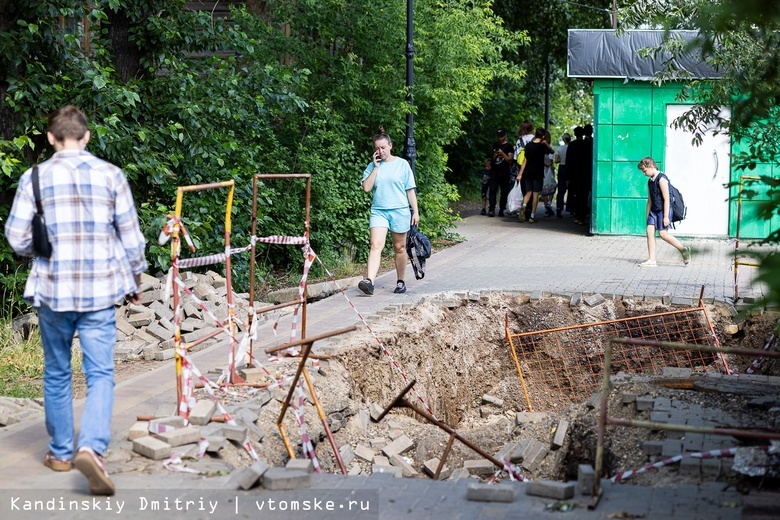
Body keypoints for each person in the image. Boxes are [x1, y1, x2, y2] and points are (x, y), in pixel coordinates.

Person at [4, 105, 148, 495]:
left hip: (52, 290)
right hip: (100, 290)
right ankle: (92, 448)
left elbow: (17, 238)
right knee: (100, 373)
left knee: (56, 372)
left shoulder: (33, 177)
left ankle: (62, 452)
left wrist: (45, 249)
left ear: (50, 138)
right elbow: (131, 238)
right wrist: (135, 277)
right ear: (85, 137)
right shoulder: (111, 175)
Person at [358, 127, 419, 295]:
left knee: (399, 248)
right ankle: (369, 281)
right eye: (377, 148)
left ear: (390, 146)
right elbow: (366, 188)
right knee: (375, 245)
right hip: (379, 211)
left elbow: (410, 190)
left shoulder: (402, 164)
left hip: (399, 211)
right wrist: (376, 167)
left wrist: (416, 211)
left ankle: (400, 281)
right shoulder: (372, 166)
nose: (380, 151)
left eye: (383, 147)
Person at [637, 156, 691, 267]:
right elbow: (649, 200)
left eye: (644, 170)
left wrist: (666, 216)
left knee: (663, 234)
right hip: (653, 210)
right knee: (649, 232)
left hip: (663, 210)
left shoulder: (662, 179)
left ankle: (683, 250)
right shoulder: (650, 181)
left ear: (651, 166)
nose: (644, 173)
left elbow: (667, 199)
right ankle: (652, 260)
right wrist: (647, 216)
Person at [516, 127, 554, 223]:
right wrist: (545, 143)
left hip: (528, 172)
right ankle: (532, 216)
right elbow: (551, 151)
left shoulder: (528, 146)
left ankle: (523, 207)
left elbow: (525, 160)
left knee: (528, 192)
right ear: (543, 136)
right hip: (538, 173)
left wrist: (520, 173)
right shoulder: (542, 146)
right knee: (535, 194)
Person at [487, 128, 515, 217]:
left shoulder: (509, 146)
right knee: (492, 190)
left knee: (504, 192)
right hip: (494, 171)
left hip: (504, 172)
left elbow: (510, 160)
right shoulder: (495, 145)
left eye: (502, 136)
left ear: (505, 136)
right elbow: (491, 158)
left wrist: (502, 153)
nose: (500, 138)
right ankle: (491, 208)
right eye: (499, 136)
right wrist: (494, 156)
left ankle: (502, 209)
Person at [554, 132, 571, 218]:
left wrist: (561, 159)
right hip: (570, 169)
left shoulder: (559, 148)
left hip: (562, 168)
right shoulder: (571, 148)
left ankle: (559, 207)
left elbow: (556, 160)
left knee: (561, 190)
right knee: (571, 189)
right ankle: (571, 208)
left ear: (563, 139)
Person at [541, 130, 557, 217]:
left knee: (544, 188)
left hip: (543, 169)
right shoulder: (550, 147)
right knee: (551, 187)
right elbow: (551, 156)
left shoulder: (541, 147)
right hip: (549, 169)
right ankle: (549, 204)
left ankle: (546, 204)